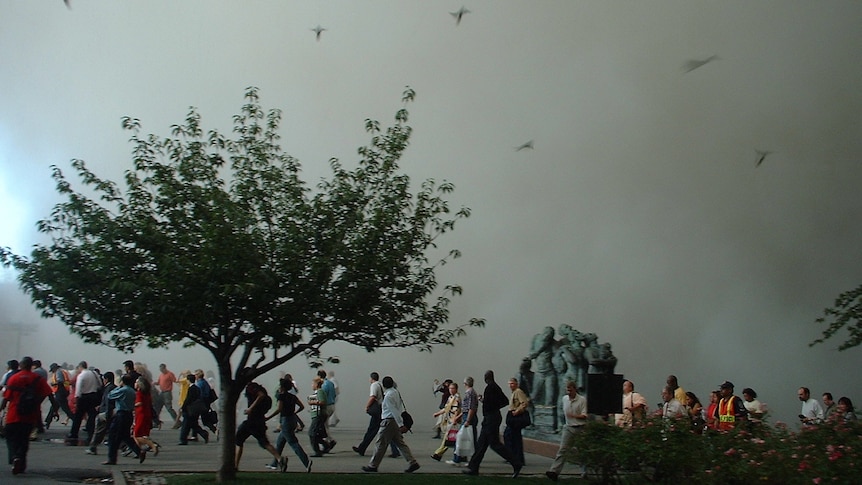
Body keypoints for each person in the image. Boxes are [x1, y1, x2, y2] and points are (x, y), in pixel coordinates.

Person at [0, 356, 56, 475]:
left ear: (21, 365)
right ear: (31, 366)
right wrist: (54, 409)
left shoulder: (13, 378)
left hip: (13, 414)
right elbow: (49, 394)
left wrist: (1, 409)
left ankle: (15, 457)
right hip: (30, 416)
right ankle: (20, 461)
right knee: (24, 439)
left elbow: (6, 398)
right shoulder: (37, 379)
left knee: (10, 437)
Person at [462, 370, 522, 477]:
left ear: (487, 378)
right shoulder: (495, 387)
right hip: (492, 417)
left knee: (494, 444)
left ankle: (516, 463)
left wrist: (490, 405)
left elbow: (496, 403)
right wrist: (488, 403)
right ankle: (473, 468)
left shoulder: (490, 388)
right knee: (482, 444)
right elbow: (502, 401)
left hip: (491, 419)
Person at [361, 376, 420, 473]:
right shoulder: (396, 392)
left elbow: (393, 410)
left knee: (380, 443)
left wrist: (400, 423)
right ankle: (412, 462)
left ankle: (373, 465)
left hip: (388, 421)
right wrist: (399, 423)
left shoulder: (388, 396)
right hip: (394, 422)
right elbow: (398, 408)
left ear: (384, 385)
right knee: (400, 443)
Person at [234, 382, 284, 471]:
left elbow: (261, 395)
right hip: (259, 420)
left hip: (252, 421)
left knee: (238, 440)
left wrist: (251, 408)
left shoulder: (252, 387)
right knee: (264, 443)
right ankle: (280, 459)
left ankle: (235, 466)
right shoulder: (258, 388)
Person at [266, 376, 312, 472]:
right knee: (279, 443)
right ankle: (275, 463)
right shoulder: (293, 397)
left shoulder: (281, 396)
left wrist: (268, 417)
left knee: (293, 443)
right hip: (292, 420)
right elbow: (302, 406)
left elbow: (279, 409)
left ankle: (306, 461)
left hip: (285, 420)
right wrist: (295, 412)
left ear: (282, 387)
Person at [546, 380, 587, 482]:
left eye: (570, 390)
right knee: (562, 449)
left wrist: (574, 416)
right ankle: (554, 471)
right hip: (568, 427)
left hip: (580, 427)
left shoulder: (582, 400)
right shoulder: (564, 399)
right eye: (567, 390)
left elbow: (584, 415)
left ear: (575, 389)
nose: (568, 392)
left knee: (581, 451)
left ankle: (584, 472)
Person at [353, 372, 399, 457]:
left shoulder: (374, 385)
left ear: (371, 378)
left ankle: (362, 448)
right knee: (389, 430)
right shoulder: (381, 385)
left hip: (377, 411)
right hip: (382, 410)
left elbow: (373, 397)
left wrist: (367, 406)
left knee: (372, 430)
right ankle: (395, 450)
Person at [104, 374, 143, 465]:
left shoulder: (123, 390)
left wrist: (118, 387)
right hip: (129, 414)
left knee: (114, 436)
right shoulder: (132, 391)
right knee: (125, 436)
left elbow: (110, 395)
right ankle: (139, 451)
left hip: (121, 414)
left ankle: (112, 458)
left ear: (123, 381)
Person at [68, 361, 100, 445]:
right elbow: (99, 384)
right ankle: (91, 434)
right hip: (93, 396)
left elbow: (78, 390)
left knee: (78, 416)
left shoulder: (81, 375)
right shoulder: (94, 373)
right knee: (91, 416)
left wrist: (77, 399)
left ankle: (74, 433)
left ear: (80, 367)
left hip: (84, 397)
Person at [86, 372, 116, 455]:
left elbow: (108, 401)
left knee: (99, 431)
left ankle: (93, 447)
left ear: (106, 379)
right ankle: (125, 446)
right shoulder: (113, 387)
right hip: (110, 412)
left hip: (105, 413)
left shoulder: (108, 388)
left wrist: (106, 412)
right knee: (113, 432)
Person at [430, 381, 460, 461]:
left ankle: (438, 454)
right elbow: (446, 408)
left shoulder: (456, 398)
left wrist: (455, 418)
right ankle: (458, 456)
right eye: (450, 388)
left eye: (452, 388)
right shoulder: (450, 397)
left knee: (448, 437)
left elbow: (457, 409)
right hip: (450, 419)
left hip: (453, 421)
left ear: (456, 389)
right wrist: (438, 413)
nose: (451, 390)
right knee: (452, 439)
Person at [503, 377, 530, 466]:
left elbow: (524, 403)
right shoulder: (514, 393)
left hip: (515, 417)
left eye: (512, 383)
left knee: (513, 437)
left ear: (516, 384)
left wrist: (517, 411)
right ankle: (513, 457)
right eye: (509, 384)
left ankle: (516, 458)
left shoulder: (518, 392)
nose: (510, 385)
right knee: (511, 437)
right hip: (512, 416)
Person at [178, 373, 209, 445]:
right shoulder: (197, 388)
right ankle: (203, 433)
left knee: (185, 425)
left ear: (188, 380)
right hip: (195, 409)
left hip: (189, 410)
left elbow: (188, 399)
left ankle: (183, 440)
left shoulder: (191, 388)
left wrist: (183, 407)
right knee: (193, 424)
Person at [133, 377, 160, 456]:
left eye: (136, 382)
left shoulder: (139, 393)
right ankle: (139, 451)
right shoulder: (147, 393)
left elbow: (139, 403)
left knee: (136, 435)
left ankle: (151, 444)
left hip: (141, 415)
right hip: (147, 414)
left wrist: (133, 405)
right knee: (143, 434)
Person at [307, 376, 330, 457]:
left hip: (319, 415)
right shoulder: (317, 392)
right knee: (317, 433)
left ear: (317, 384)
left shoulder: (320, 392)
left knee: (312, 433)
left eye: (313, 383)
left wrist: (313, 403)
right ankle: (326, 445)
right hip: (317, 414)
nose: (312, 385)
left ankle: (317, 451)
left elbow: (322, 402)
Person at [46, 363, 74, 427]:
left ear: (54, 368)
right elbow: (67, 382)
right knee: (53, 407)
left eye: (52, 370)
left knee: (65, 408)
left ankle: (75, 421)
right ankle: (47, 421)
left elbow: (60, 381)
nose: (52, 371)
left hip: (60, 392)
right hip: (63, 391)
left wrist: (53, 384)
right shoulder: (64, 372)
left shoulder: (58, 372)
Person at [317, 370, 337, 449]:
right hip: (332, 405)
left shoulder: (324, 385)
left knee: (324, 426)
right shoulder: (331, 383)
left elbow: (322, 396)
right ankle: (328, 441)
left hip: (326, 406)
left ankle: (330, 441)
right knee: (325, 425)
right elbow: (334, 394)